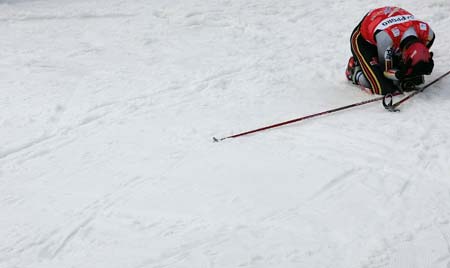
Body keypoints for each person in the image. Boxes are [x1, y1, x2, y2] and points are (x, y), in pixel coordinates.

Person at [345, 6, 435, 95]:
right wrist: (399, 74)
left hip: (388, 32)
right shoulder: (387, 38)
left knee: (416, 80)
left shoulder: (428, 34)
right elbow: (386, 71)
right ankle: (354, 70)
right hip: (364, 40)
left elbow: (421, 55)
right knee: (384, 88)